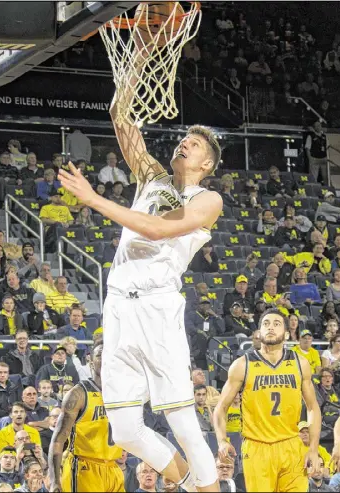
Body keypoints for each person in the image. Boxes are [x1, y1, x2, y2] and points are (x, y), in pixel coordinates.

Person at [58, 77, 224, 488]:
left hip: (157, 307)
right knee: (126, 430)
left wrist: (93, 198)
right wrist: (136, 62)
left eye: (195, 144)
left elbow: (155, 229)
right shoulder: (151, 176)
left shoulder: (207, 199)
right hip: (118, 305)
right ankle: (188, 482)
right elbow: (120, 115)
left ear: (206, 164)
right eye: (184, 138)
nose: (184, 143)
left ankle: (209, 487)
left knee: (182, 421)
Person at [214, 309, 322, 493]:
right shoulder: (242, 365)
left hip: (291, 445)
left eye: (276, 324)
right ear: (258, 332)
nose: (270, 327)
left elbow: (313, 408)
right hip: (257, 447)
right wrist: (222, 440)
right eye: (266, 324)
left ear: (287, 334)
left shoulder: (300, 363)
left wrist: (312, 448)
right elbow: (220, 408)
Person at [48, 340, 125, 493]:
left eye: (108, 354)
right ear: (90, 360)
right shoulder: (78, 394)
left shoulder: (122, 394)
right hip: (84, 467)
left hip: (113, 467)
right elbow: (57, 440)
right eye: (99, 355)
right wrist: (54, 481)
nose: (104, 359)